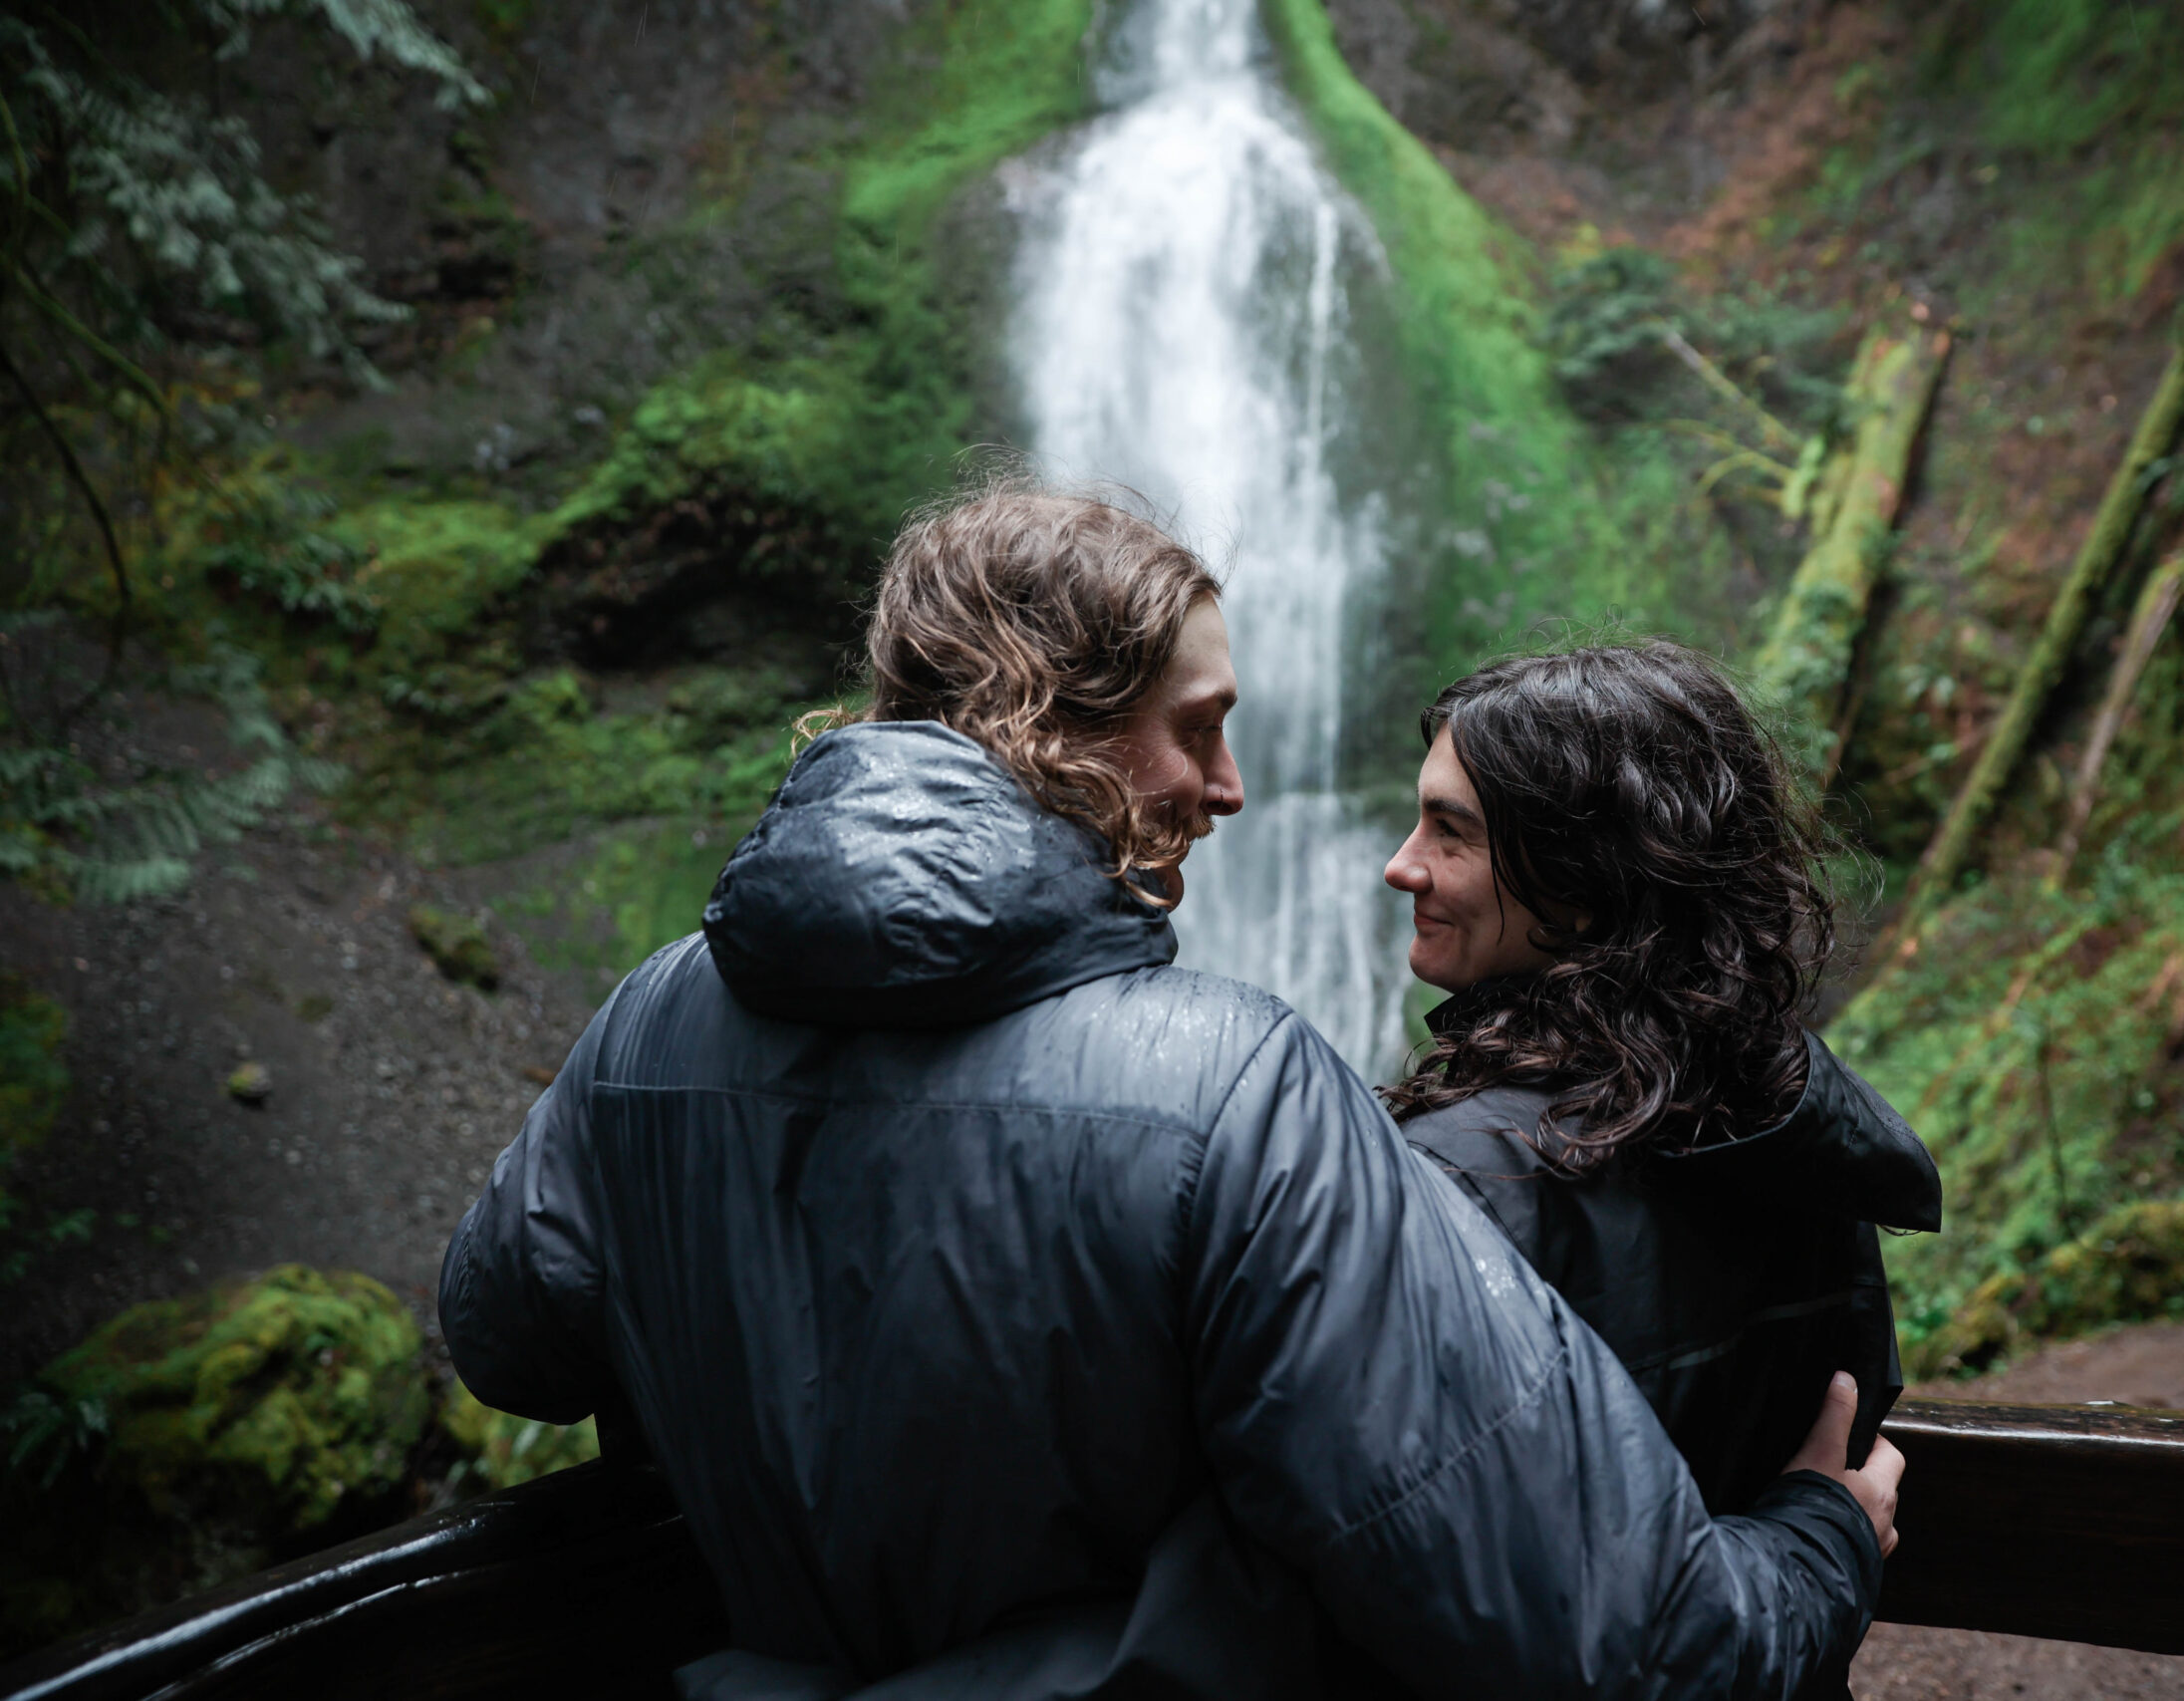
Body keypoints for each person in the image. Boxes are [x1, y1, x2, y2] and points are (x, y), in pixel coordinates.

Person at [439, 487, 1901, 1701]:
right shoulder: (1228, 1084)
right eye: (1197, 725)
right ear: (1049, 721)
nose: (1231, 784)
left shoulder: (644, 1016)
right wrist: (1817, 1544)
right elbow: (1616, 1631)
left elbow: (508, 1335)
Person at [1381, 640, 1939, 1550]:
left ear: (1586, 877)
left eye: (1452, 831)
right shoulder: (1807, 1136)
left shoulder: (1458, 1180)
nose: (1402, 866)